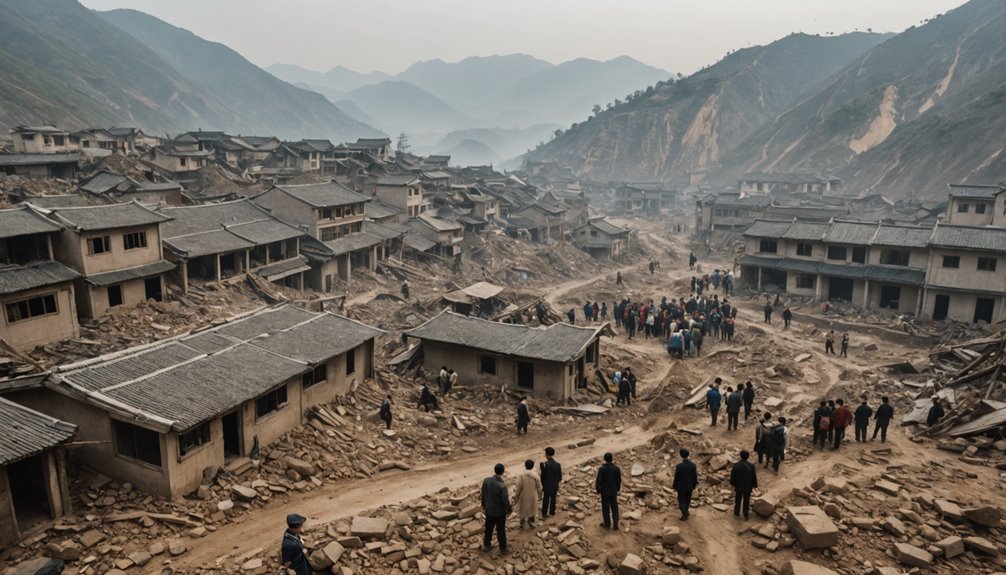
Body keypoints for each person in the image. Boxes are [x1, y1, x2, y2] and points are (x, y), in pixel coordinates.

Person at [481, 464, 512, 553]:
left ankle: (486, 545)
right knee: (500, 530)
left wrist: (483, 505)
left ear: (495, 470)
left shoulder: (486, 481)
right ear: (503, 472)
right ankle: (503, 548)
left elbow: (483, 494)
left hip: (489, 510)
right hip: (499, 512)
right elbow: (505, 500)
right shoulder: (501, 486)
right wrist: (509, 510)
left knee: (488, 528)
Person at [595, 453, 621, 530]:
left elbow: (599, 480)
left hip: (605, 492)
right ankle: (615, 524)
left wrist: (598, 490)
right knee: (614, 508)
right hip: (613, 491)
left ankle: (607, 523)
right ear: (612, 459)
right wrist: (617, 489)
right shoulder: (616, 468)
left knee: (605, 508)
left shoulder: (602, 468)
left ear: (605, 459)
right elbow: (618, 480)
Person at [514, 459, 542, 529]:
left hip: (523, 495)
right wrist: (540, 495)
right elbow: (539, 487)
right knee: (532, 508)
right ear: (532, 466)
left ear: (525, 466)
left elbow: (518, 487)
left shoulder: (521, 475)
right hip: (533, 495)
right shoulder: (535, 475)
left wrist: (516, 496)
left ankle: (522, 522)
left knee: (522, 508)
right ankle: (531, 521)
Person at [729, 451, 758, 520]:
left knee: (738, 500)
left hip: (738, 486)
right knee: (746, 501)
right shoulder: (751, 466)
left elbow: (733, 476)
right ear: (748, 457)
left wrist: (732, 484)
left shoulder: (736, 465)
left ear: (740, 456)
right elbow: (754, 476)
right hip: (747, 486)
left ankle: (736, 513)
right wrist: (755, 485)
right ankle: (746, 515)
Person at [672, 448, 698, 520]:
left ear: (681, 455)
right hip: (690, 486)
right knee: (687, 500)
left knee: (681, 501)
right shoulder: (693, 465)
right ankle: (686, 511)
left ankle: (685, 514)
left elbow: (676, 477)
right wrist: (694, 485)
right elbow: (694, 476)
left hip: (681, 487)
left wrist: (674, 485)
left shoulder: (679, 466)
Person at [540, 447, 562, 520]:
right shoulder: (558, 464)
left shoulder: (544, 465)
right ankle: (552, 512)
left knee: (546, 499)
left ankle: (544, 513)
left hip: (547, 485)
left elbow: (542, 477)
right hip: (555, 485)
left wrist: (543, 484)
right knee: (553, 499)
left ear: (546, 454)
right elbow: (560, 477)